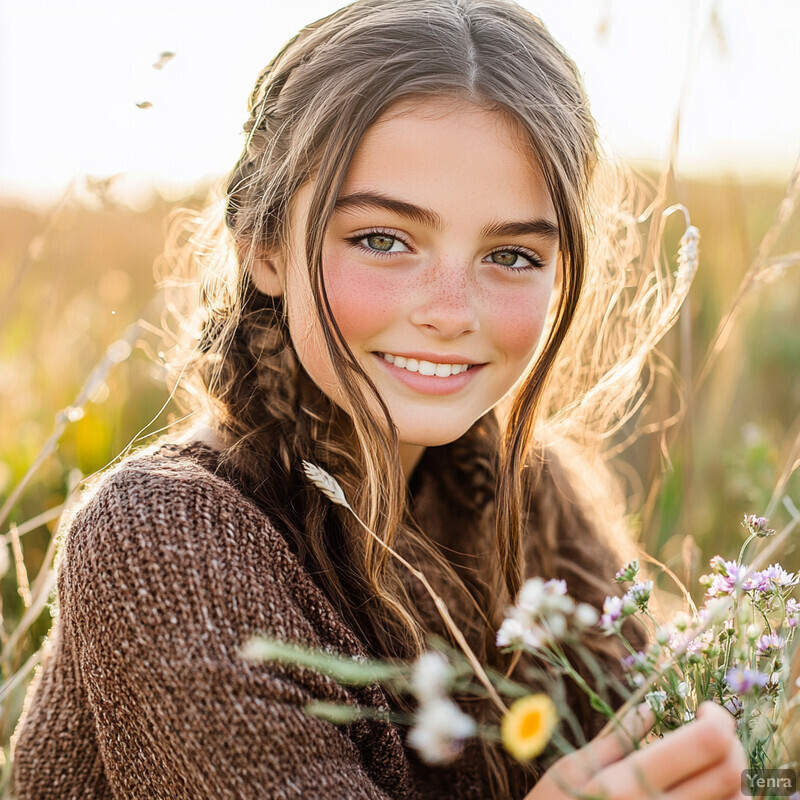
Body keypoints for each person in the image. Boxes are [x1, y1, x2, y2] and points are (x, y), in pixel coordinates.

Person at [11, 0, 747, 798]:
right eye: (382, 240)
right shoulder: (166, 538)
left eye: (510, 253)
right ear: (262, 247)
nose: (450, 311)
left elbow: (671, 734)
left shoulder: (528, 491)